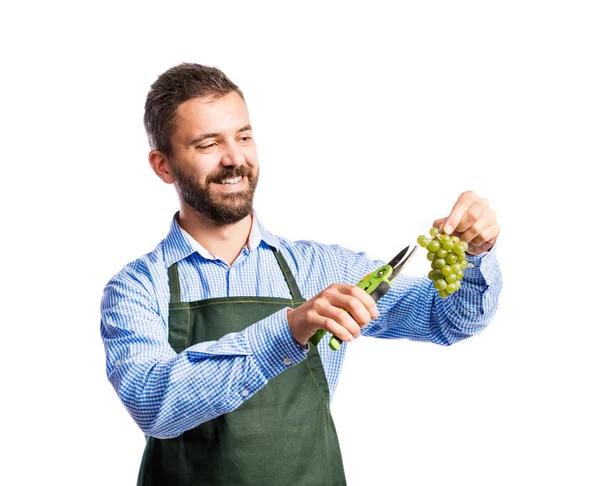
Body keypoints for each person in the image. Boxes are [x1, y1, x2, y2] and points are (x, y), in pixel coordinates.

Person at [100, 62, 502, 486]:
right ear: (163, 166)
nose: (235, 158)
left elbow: (451, 319)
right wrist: (289, 330)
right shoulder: (138, 287)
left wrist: (477, 255)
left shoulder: (322, 269)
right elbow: (154, 403)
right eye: (207, 144)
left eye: (244, 136)